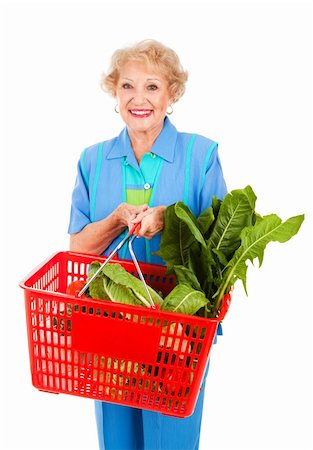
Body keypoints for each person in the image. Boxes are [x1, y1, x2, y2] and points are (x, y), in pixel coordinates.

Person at [68, 39, 227, 450]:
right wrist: (116, 219)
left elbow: (219, 251)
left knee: (170, 441)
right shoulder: (92, 160)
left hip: (178, 334)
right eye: (127, 86)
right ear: (114, 93)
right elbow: (79, 249)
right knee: (117, 441)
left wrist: (170, 218)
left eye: (153, 87)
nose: (139, 99)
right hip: (109, 332)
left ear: (171, 94)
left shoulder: (201, 155)